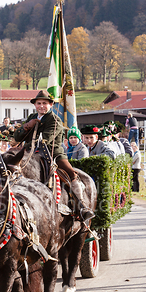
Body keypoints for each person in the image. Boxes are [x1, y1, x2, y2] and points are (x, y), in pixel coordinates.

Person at [14, 90, 94, 221]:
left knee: (71, 174)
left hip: (53, 154)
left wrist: (28, 144)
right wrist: (27, 126)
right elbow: (17, 137)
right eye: (39, 103)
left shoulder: (55, 120)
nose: (41, 106)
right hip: (29, 154)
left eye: (44, 103)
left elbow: (45, 140)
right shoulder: (31, 118)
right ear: (35, 105)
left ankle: (82, 205)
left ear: (50, 104)